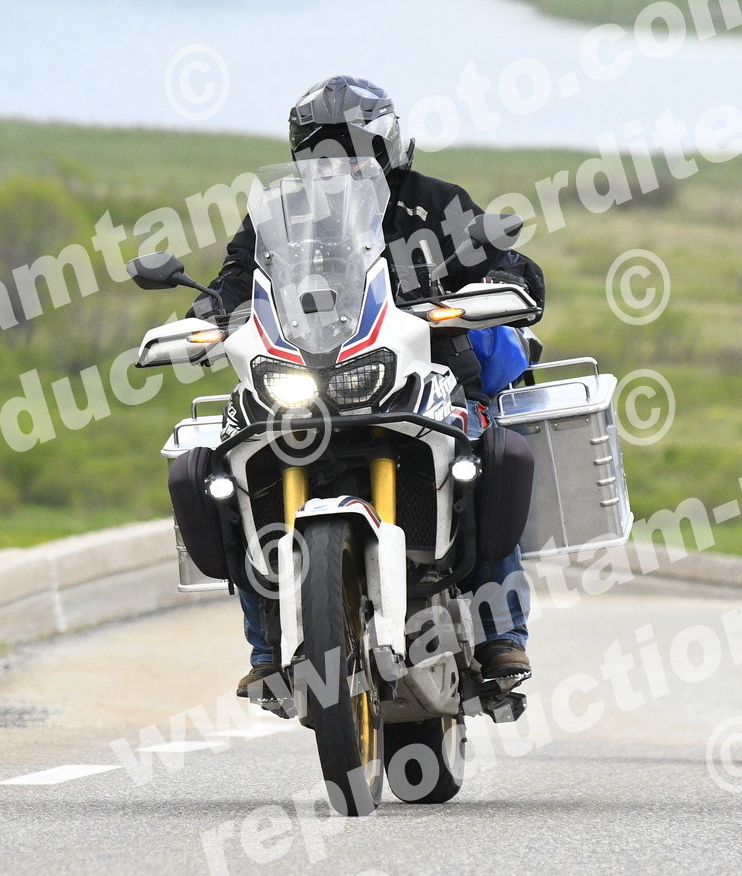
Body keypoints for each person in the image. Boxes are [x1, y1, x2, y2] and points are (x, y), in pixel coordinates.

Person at [186, 76, 546, 697]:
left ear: (385, 145)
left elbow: (508, 263)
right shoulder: (281, 215)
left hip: (424, 369)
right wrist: (207, 311)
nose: (337, 162)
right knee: (233, 466)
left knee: (480, 456)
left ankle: (500, 632)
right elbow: (238, 277)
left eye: (352, 146)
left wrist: (502, 281)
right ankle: (267, 647)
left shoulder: (432, 201)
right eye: (322, 149)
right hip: (308, 373)